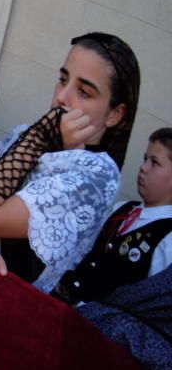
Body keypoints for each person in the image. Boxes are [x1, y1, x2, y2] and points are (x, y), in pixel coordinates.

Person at [0, 33, 140, 292]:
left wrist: (37, 139)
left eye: (84, 91)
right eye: (63, 79)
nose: (62, 96)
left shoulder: (96, 175)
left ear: (114, 115)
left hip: (1, 302)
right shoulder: (25, 135)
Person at [54, 128, 172, 304]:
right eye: (145, 159)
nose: (143, 167)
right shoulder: (123, 208)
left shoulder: (167, 239)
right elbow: (83, 253)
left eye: (154, 162)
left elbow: (149, 303)